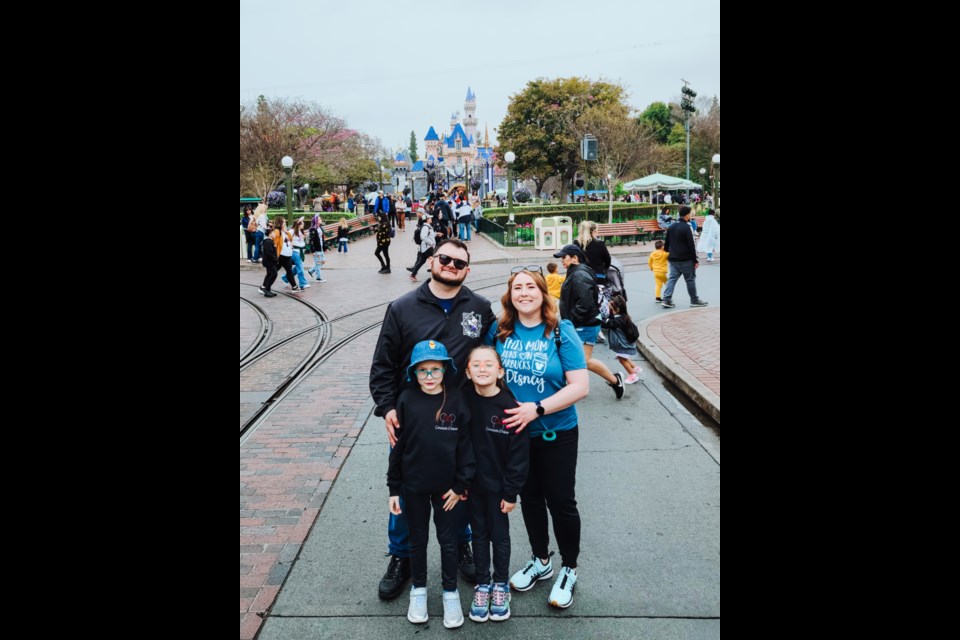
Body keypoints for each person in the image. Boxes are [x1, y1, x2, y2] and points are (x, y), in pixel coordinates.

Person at [370, 238, 497, 601]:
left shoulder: (479, 307)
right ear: (431, 261)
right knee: (408, 486)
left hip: (460, 415)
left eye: (460, 262)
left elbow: (495, 348)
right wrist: (388, 408)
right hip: (413, 417)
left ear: (467, 270)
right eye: (445, 258)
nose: (451, 266)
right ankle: (401, 556)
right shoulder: (402, 307)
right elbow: (382, 365)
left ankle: (462, 544)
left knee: (462, 481)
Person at [486, 268, 589, 609]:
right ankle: (541, 560)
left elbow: (580, 386)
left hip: (555, 431)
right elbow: (484, 372)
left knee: (560, 501)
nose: (524, 293)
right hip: (514, 435)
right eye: (518, 287)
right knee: (528, 499)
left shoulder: (560, 332)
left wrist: (537, 408)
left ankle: (569, 568)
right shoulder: (498, 331)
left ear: (544, 293)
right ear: (509, 295)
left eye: (531, 287)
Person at [388, 340, 475, 628]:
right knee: (418, 539)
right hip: (413, 486)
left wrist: (461, 485)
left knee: (448, 541)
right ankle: (419, 590)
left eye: (435, 370)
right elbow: (398, 449)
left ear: (445, 370)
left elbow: (466, 447)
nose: (429, 376)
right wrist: (394, 489)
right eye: (423, 370)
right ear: (414, 372)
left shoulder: (457, 399)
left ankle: (450, 593)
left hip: (448, 489)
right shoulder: (406, 399)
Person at [463, 346, 529, 623]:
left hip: (499, 489)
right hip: (472, 486)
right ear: (467, 372)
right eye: (476, 365)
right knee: (478, 535)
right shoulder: (463, 400)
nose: (482, 369)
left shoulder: (511, 407)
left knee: (499, 537)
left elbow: (518, 456)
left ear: (500, 371)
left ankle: (500, 584)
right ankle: (483, 584)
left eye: (489, 364)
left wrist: (511, 492)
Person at [553, 245, 625, 399]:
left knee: (583, 360)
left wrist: (571, 322)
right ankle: (569, 387)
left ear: (574, 258)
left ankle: (615, 381)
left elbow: (584, 304)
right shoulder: (578, 272)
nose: (562, 261)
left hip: (583, 325)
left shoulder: (580, 275)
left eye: (564, 257)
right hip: (583, 323)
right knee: (571, 356)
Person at [661, 206, 707, 308]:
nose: (691, 215)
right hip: (686, 259)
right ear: (687, 215)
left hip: (673, 258)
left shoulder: (671, 226)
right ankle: (694, 300)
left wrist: (671, 252)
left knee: (672, 279)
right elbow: (691, 244)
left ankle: (666, 299)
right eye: (691, 214)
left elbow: (667, 244)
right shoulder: (688, 227)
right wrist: (695, 259)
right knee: (690, 280)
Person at [601, 295, 642, 384]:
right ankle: (635, 368)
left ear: (617, 309)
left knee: (622, 359)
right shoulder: (623, 317)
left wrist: (598, 318)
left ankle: (632, 375)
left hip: (623, 344)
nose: (609, 309)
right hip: (626, 343)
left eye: (611, 308)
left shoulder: (617, 321)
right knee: (625, 357)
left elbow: (606, 324)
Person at [408, 211, 436, 282]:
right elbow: (423, 237)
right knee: (435, 261)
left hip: (424, 247)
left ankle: (413, 275)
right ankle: (436, 276)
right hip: (427, 247)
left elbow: (429, 235)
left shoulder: (427, 226)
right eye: (429, 218)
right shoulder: (426, 227)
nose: (431, 219)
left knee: (421, 261)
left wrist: (436, 234)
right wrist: (431, 243)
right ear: (427, 220)